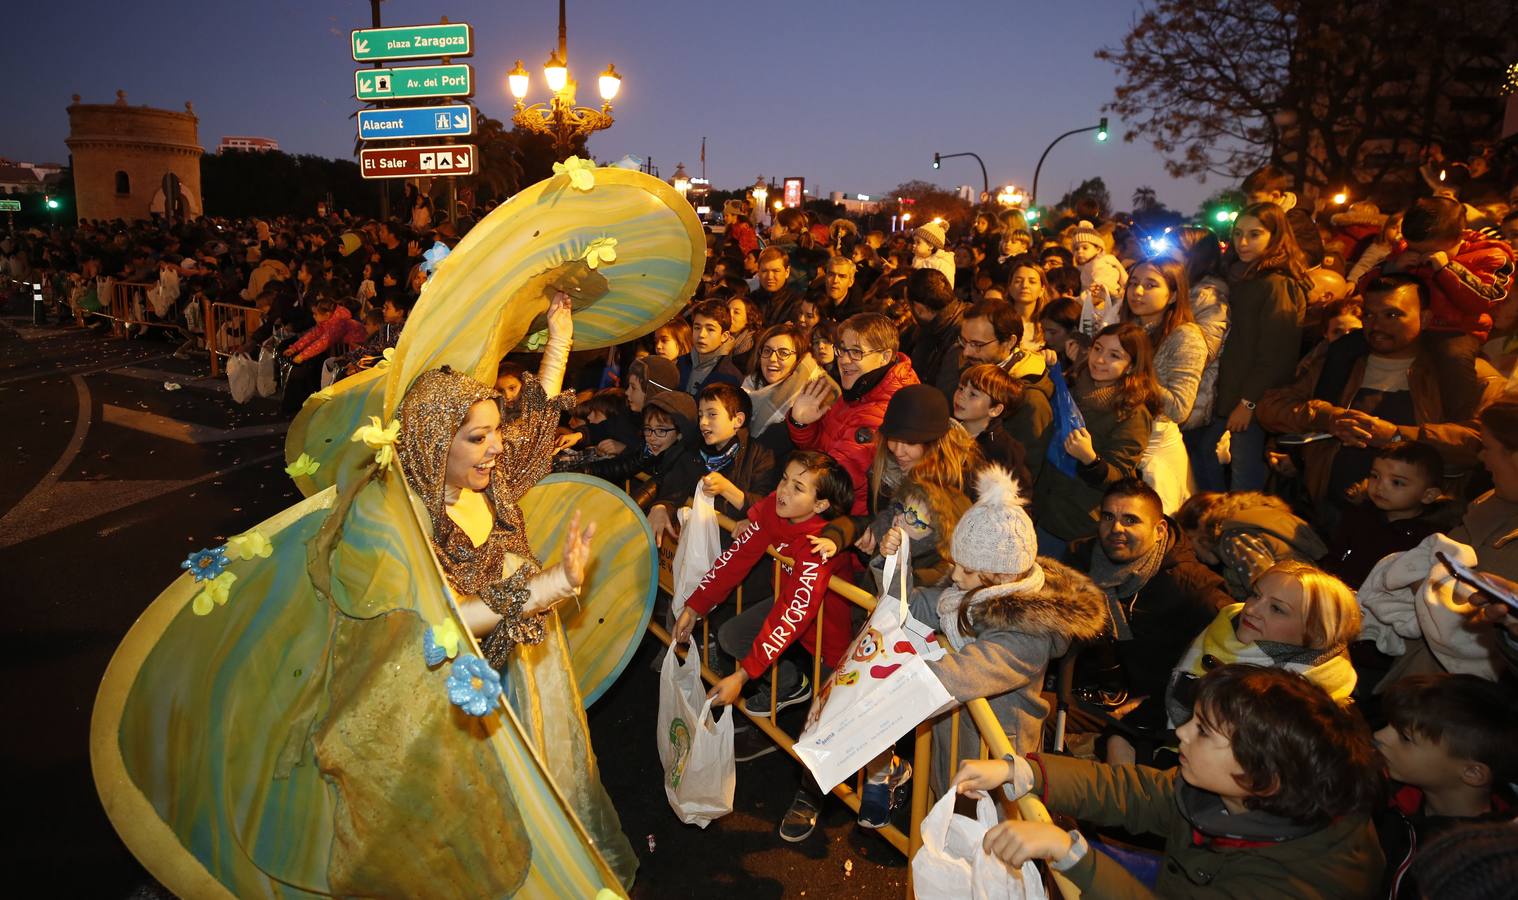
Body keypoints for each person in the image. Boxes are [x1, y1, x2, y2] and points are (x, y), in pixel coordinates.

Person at [391, 291, 637, 883]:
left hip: (533, 670)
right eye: (477, 438)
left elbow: (540, 416)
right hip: (474, 694)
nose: (497, 446)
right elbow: (442, 625)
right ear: (431, 445)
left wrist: (559, 339)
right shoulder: (415, 523)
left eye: (494, 432)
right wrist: (548, 583)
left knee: (554, 776)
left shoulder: (494, 479)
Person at [951, 665, 1385, 898]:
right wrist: (1021, 771)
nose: (1181, 734)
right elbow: (1136, 794)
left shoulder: (1299, 883)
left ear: (1263, 776)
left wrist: (1070, 852)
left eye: (1204, 732)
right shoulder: (1235, 793)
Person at [672, 451, 856, 842]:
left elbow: (794, 612)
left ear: (821, 504)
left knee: (819, 726)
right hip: (792, 616)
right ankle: (790, 681)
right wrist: (695, 604)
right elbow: (736, 559)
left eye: (797, 487)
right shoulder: (776, 509)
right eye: (785, 479)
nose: (783, 490)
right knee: (733, 635)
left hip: (831, 639)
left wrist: (744, 674)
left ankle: (811, 794)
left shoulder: (818, 544)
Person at [905, 465, 1107, 797]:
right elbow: (914, 606)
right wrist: (891, 564)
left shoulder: (1028, 632)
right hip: (958, 743)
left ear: (1001, 576)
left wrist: (891, 680)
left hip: (995, 760)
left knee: (984, 840)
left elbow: (965, 672)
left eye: (966, 569)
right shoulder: (968, 594)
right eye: (955, 563)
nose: (954, 576)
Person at [1257, 275, 1498, 515]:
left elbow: (1483, 443)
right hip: (1327, 516)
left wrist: (1397, 437)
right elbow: (1271, 407)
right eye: (1369, 315)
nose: (1377, 325)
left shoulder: (1460, 372)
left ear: (1424, 318)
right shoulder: (1339, 363)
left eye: (1392, 315)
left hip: (1416, 529)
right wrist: (1327, 418)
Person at [1067, 480, 1232, 764]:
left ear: (1159, 531)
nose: (1116, 528)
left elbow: (1225, 665)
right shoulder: (1080, 560)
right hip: (1092, 694)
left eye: (1131, 520)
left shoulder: (1193, 589)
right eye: (1108, 517)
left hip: (1153, 715)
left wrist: (1155, 706)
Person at [1363, 195, 1515, 422]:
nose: (1423, 257)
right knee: (1345, 346)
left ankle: (1461, 423)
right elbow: (1366, 288)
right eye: (1417, 250)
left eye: (1429, 252)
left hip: (1455, 329)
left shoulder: (1491, 254)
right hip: (1405, 324)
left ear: (1458, 237)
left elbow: (1484, 300)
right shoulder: (1403, 250)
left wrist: (1447, 270)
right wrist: (1391, 268)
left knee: (1454, 360)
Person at [1197, 202, 1309, 493]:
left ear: (1276, 237)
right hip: (1228, 392)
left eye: (1254, 234)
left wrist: (1248, 403)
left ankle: (1243, 529)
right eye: (1238, 234)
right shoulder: (1240, 276)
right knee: (1204, 456)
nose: (1243, 242)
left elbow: (1277, 355)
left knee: (1244, 475)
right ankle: (1216, 520)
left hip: (1252, 398)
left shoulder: (1277, 284)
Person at [1373, 674, 1518, 899]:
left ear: (1472, 773)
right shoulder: (1391, 794)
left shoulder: (1476, 868)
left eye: (1405, 738)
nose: (1379, 736)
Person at [1033, 322, 1159, 559]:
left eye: (1114, 356)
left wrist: (1090, 459)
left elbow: (1120, 477)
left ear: (1131, 365)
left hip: (1079, 525)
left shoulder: (1132, 411)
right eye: (1097, 349)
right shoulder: (1071, 384)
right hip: (1044, 508)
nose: (1100, 360)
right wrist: (1045, 370)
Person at [787, 312, 919, 515]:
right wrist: (802, 424)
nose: (844, 360)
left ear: (884, 356)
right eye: (842, 350)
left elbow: (831, 484)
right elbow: (823, 452)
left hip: (840, 522)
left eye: (856, 352)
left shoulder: (886, 410)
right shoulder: (860, 391)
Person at [1122, 255, 1204, 512]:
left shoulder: (1185, 336)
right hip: (1125, 442)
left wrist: (1138, 373)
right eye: (1133, 282)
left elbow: (1179, 409)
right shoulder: (1128, 328)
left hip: (1157, 452)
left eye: (1150, 285)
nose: (1137, 291)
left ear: (1172, 295)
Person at [1322, 440, 1454, 589]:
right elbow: (1336, 554)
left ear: (1428, 495)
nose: (1380, 486)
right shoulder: (1359, 513)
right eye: (1375, 476)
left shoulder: (1430, 537)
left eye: (1397, 482)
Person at [1176, 490, 1327, 599]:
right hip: (1310, 592)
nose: (1193, 552)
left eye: (1189, 539)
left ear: (1198, 531)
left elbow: (1264, 593)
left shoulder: (1233, 536)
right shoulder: (1255, 518)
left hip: (1298, 600)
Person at [741, 323, 837, 454]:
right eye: (767, 351)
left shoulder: (816, 394)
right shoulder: (748, 387)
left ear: (798, 359)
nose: (772, 359)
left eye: (783, 353)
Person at [952, 363, 1034, 490]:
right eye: (961, 388)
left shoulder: (1006, 453)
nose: (960, 396)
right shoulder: (945, 431)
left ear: (995, 409)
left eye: (973, 394)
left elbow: (1017, 499)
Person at [1242, 163, 1326, 267]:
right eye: (1247, 198)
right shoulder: (1260, 214)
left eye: (1254, 198)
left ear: (1274, 195)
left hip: (1300, 267)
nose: (1248, 203)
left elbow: (1271, 248)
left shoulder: (1294, 218)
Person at [905, 268, 965, 392]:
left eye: (909, 307)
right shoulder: (936, 327)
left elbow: (944, 394)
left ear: (919, 309)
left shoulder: (960, 338)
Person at [1071, 220, 1127, 333]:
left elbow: (1097, 290)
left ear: (1098, 249)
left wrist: (1076, 301)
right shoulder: (1087, 266)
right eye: (1076, 249)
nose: (1080, 251)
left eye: (1085, 247)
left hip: (1107, 310)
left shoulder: (1100, 264)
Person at [682, 299, 744, 396]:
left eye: (710, 329)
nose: (701, 335)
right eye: (697, 328)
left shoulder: (730, 377)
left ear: (724, 336)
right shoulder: (681, 362)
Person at [752, 246, 803, 326]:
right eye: (764, 271)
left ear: (787, 272)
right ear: (758, 272)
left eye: (776, 271)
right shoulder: (749, 300)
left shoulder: (797, 303)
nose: (769, 276)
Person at [911, 220, 956, 287]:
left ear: (931, 246)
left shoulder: (941, 264)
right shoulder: (917, 259)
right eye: (914, 242)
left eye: (918, 242)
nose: (914, 245)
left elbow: (946, 288)